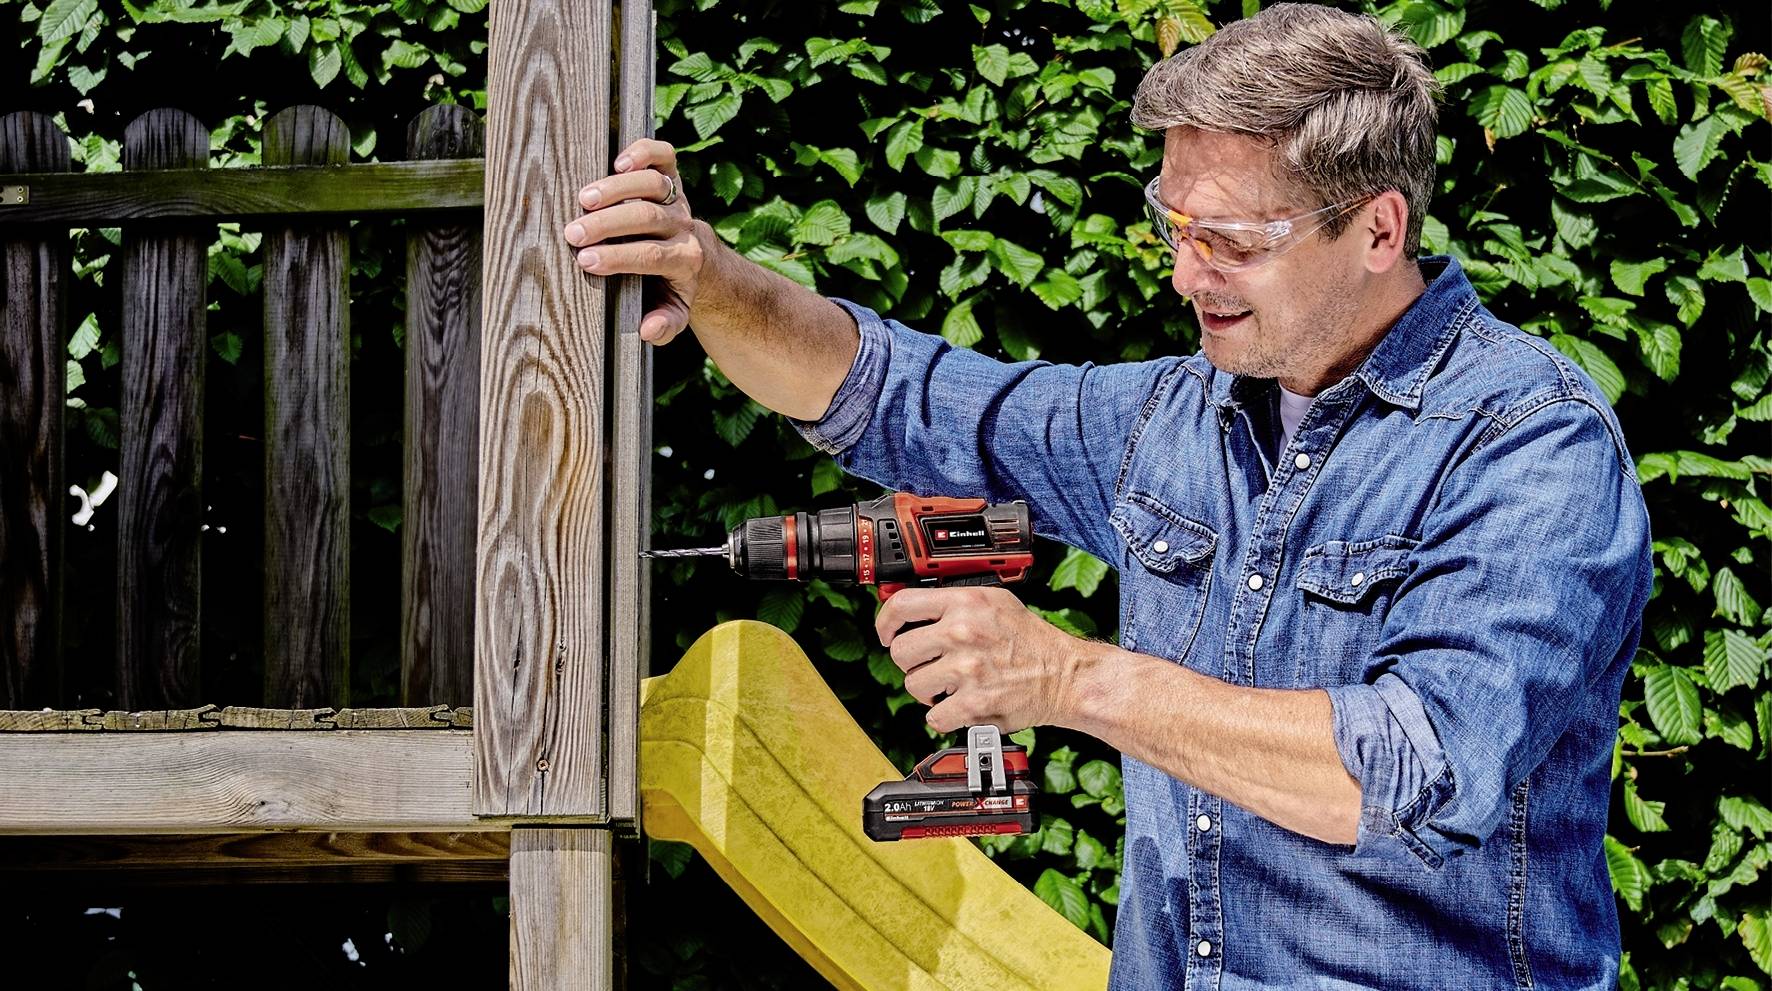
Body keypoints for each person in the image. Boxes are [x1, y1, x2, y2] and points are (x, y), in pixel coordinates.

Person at [562, 4, 1652, 987]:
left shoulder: (1527, 441)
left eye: (1229, 240)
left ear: (1377, 230)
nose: (1185, 274)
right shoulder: (1171, 418)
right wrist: (707, 276)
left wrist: (1066, 676)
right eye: (1173, 225)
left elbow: (1412, 770)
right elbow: (894, 393)